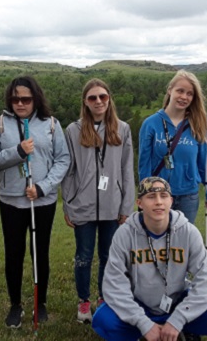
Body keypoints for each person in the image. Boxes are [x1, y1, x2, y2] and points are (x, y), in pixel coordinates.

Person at [92, 177, 207, 341]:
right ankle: (143, 333)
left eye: (164, 196)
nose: (159, 202)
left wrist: (178, 319)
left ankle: (184, 329)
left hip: (176, 302)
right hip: (140, 303)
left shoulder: (188, 231)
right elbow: (113, 283)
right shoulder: (124, 234)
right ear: (139, 203)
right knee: (103, 319)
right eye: (151, 197)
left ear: (171, 201)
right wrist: (143, 322)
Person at [0, 75, 72, 328]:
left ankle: (39, 302)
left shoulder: (51, 124)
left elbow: (63, 160)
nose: (20, 104)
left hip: (42, 201)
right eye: (15, 99)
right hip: (11, 201)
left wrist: (43, 187)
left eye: (26, 99)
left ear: (36, 99)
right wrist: (18, 152)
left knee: (39, 253)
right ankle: (15, 305)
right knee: (13, 254)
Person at [62, 78, 137, 323]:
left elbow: (127, 169)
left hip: (113, 206)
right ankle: (84, 302)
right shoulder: (73, 130)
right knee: (83, 256)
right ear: (85, 101)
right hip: (82, 205)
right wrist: (68, 203)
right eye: (92, 97)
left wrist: (126, 205)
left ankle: (105, 299)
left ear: (109, 99)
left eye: (102, 96)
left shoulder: (122, 129)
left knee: (109, 256)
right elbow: (69, 170)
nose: (98, 101)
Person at [138, 71, 207, 223]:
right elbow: (144, 164)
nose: (184, 97)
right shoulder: (150, 124)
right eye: (180, 91)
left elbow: (205, 163)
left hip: (188, 195)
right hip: (158, 195)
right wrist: (145, 194)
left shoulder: (197, 125)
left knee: (183, 242)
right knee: (157, 239)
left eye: (189, 94)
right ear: (170, 90)